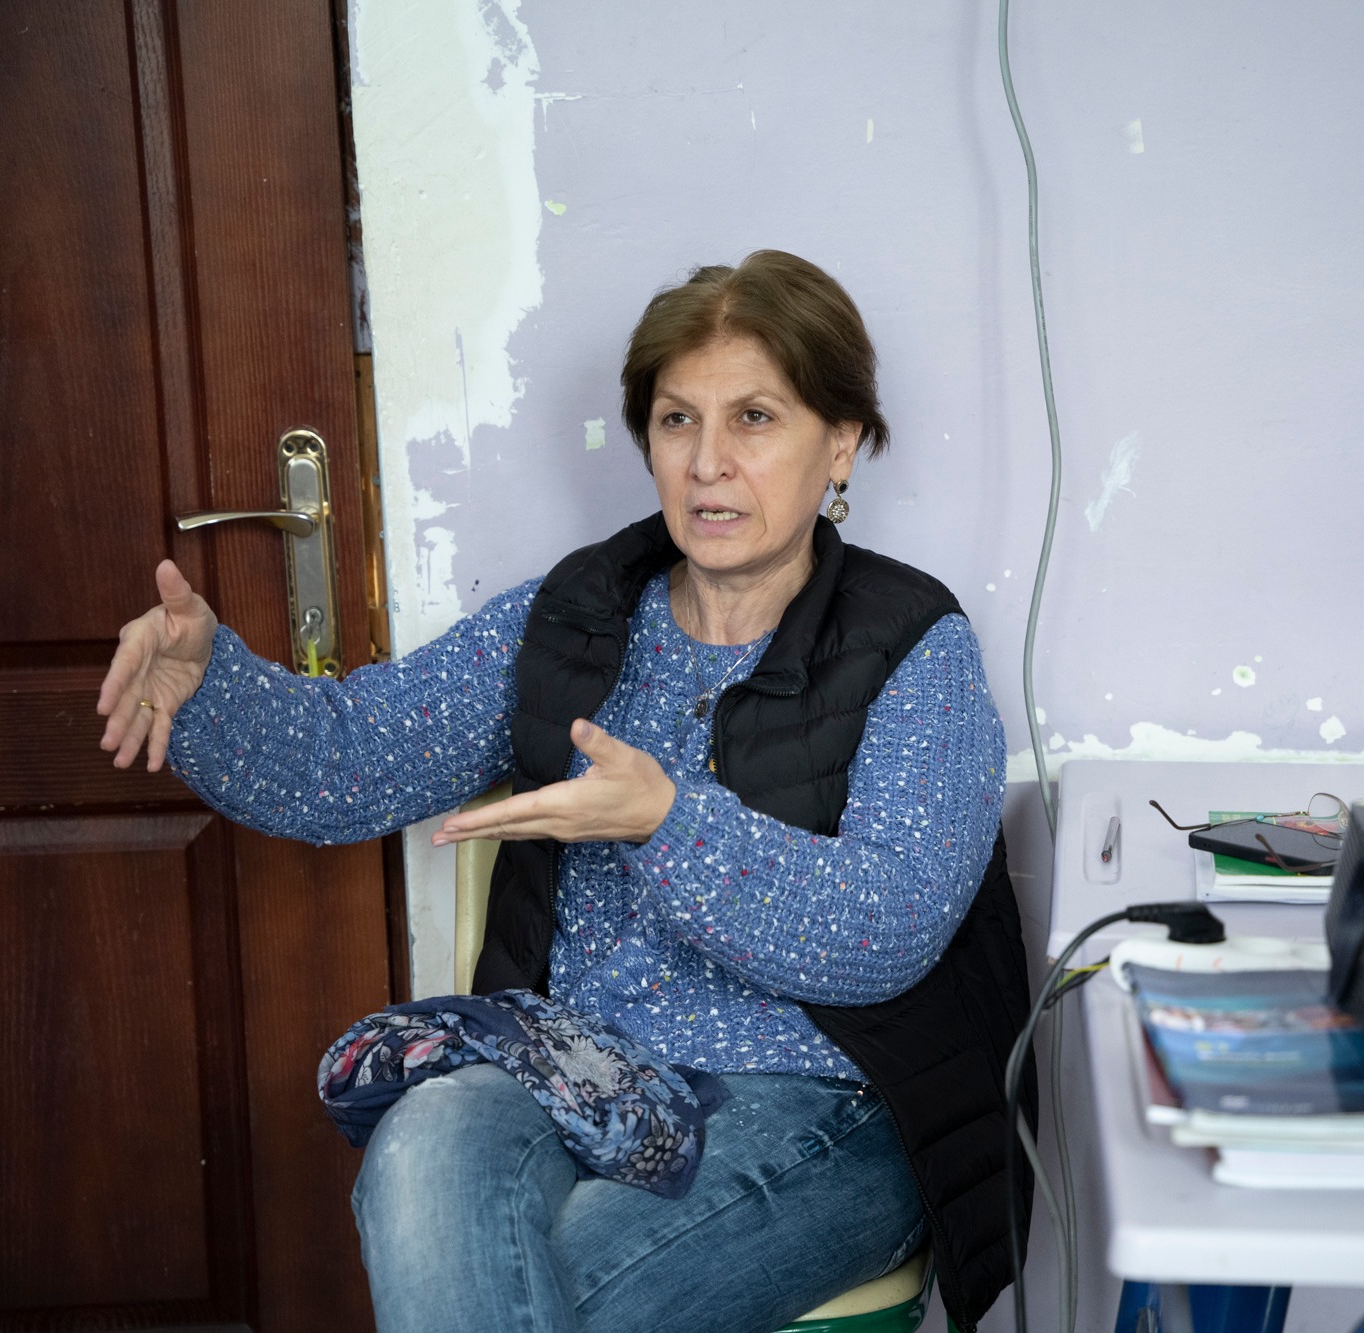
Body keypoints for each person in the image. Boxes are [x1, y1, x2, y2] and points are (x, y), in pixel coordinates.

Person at [96, 251, 1035, 1333]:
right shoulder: (577, 615)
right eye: (677, 421)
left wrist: (667, 824)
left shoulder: (915, 644)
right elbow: (347, 763)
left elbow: (890, 929)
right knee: (420, 1144)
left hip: (830, 1100)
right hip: (574, 1066)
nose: (709, 463)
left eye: (755, 418)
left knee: (547, 1302)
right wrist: (212, 684)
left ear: (840, 443)